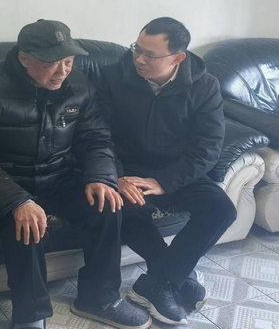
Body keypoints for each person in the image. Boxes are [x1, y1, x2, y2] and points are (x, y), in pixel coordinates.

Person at [0, 19, 150, 329]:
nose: (61, 71)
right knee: (26, 226)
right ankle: (31, 315)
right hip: (5, 182)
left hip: (58, 177)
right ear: (24, 58)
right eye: (50, 63)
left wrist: (100, 177)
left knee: (107, 205)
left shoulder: (80, 86)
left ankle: (99, 298)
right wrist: (17, 201)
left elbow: (96, 138)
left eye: (68, 61)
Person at [96, 17, 237, 325]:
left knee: (221, 209)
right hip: (128, 170)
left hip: (177, 170)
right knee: (124, 209)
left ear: (177, 58)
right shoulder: (112, 77)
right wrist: (115, 175)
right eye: (137, 49)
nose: (139, 59)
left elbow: (208, 148)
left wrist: (163, 181)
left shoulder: (204, 86)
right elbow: (99, 136)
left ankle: (155, 283)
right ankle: (178, 281)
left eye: (150, 55)